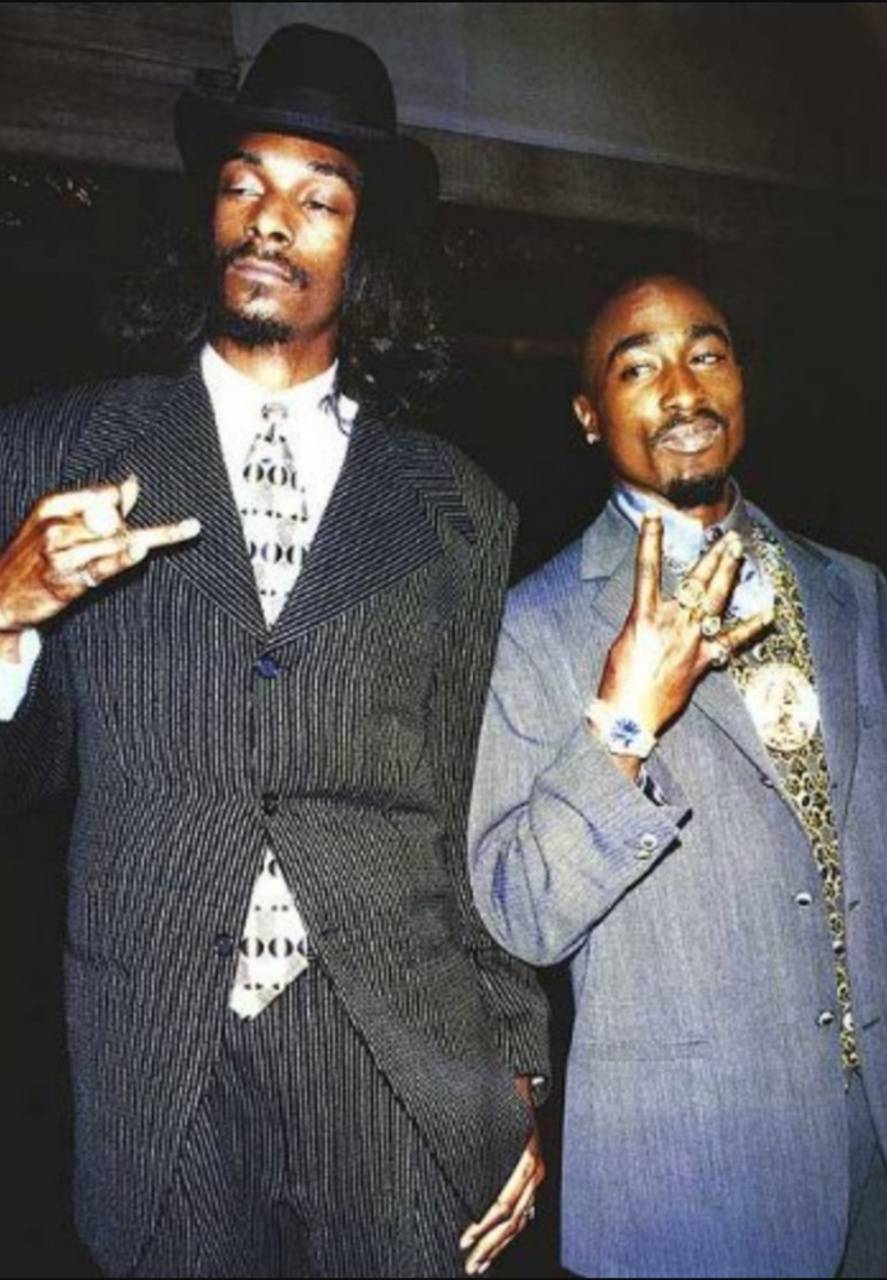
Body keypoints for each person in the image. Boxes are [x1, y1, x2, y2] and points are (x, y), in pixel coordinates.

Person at [0, 25, 548, 1279]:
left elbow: (468, 804)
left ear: (365, 246)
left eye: (318, 198)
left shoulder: (459, 508)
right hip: (156, 1061)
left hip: (391, 1050)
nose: (269, 219)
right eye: (244, 183)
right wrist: (7, 612)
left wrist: (517, 1065)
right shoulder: (47, 453)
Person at [468, 274, 887, 1278]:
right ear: (587, 414)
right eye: (638, 368)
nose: (683, 389)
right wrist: (623, 720)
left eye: (705, 355)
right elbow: (517, 909)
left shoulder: (855, 591)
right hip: (696, 1173)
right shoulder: (528, 627)